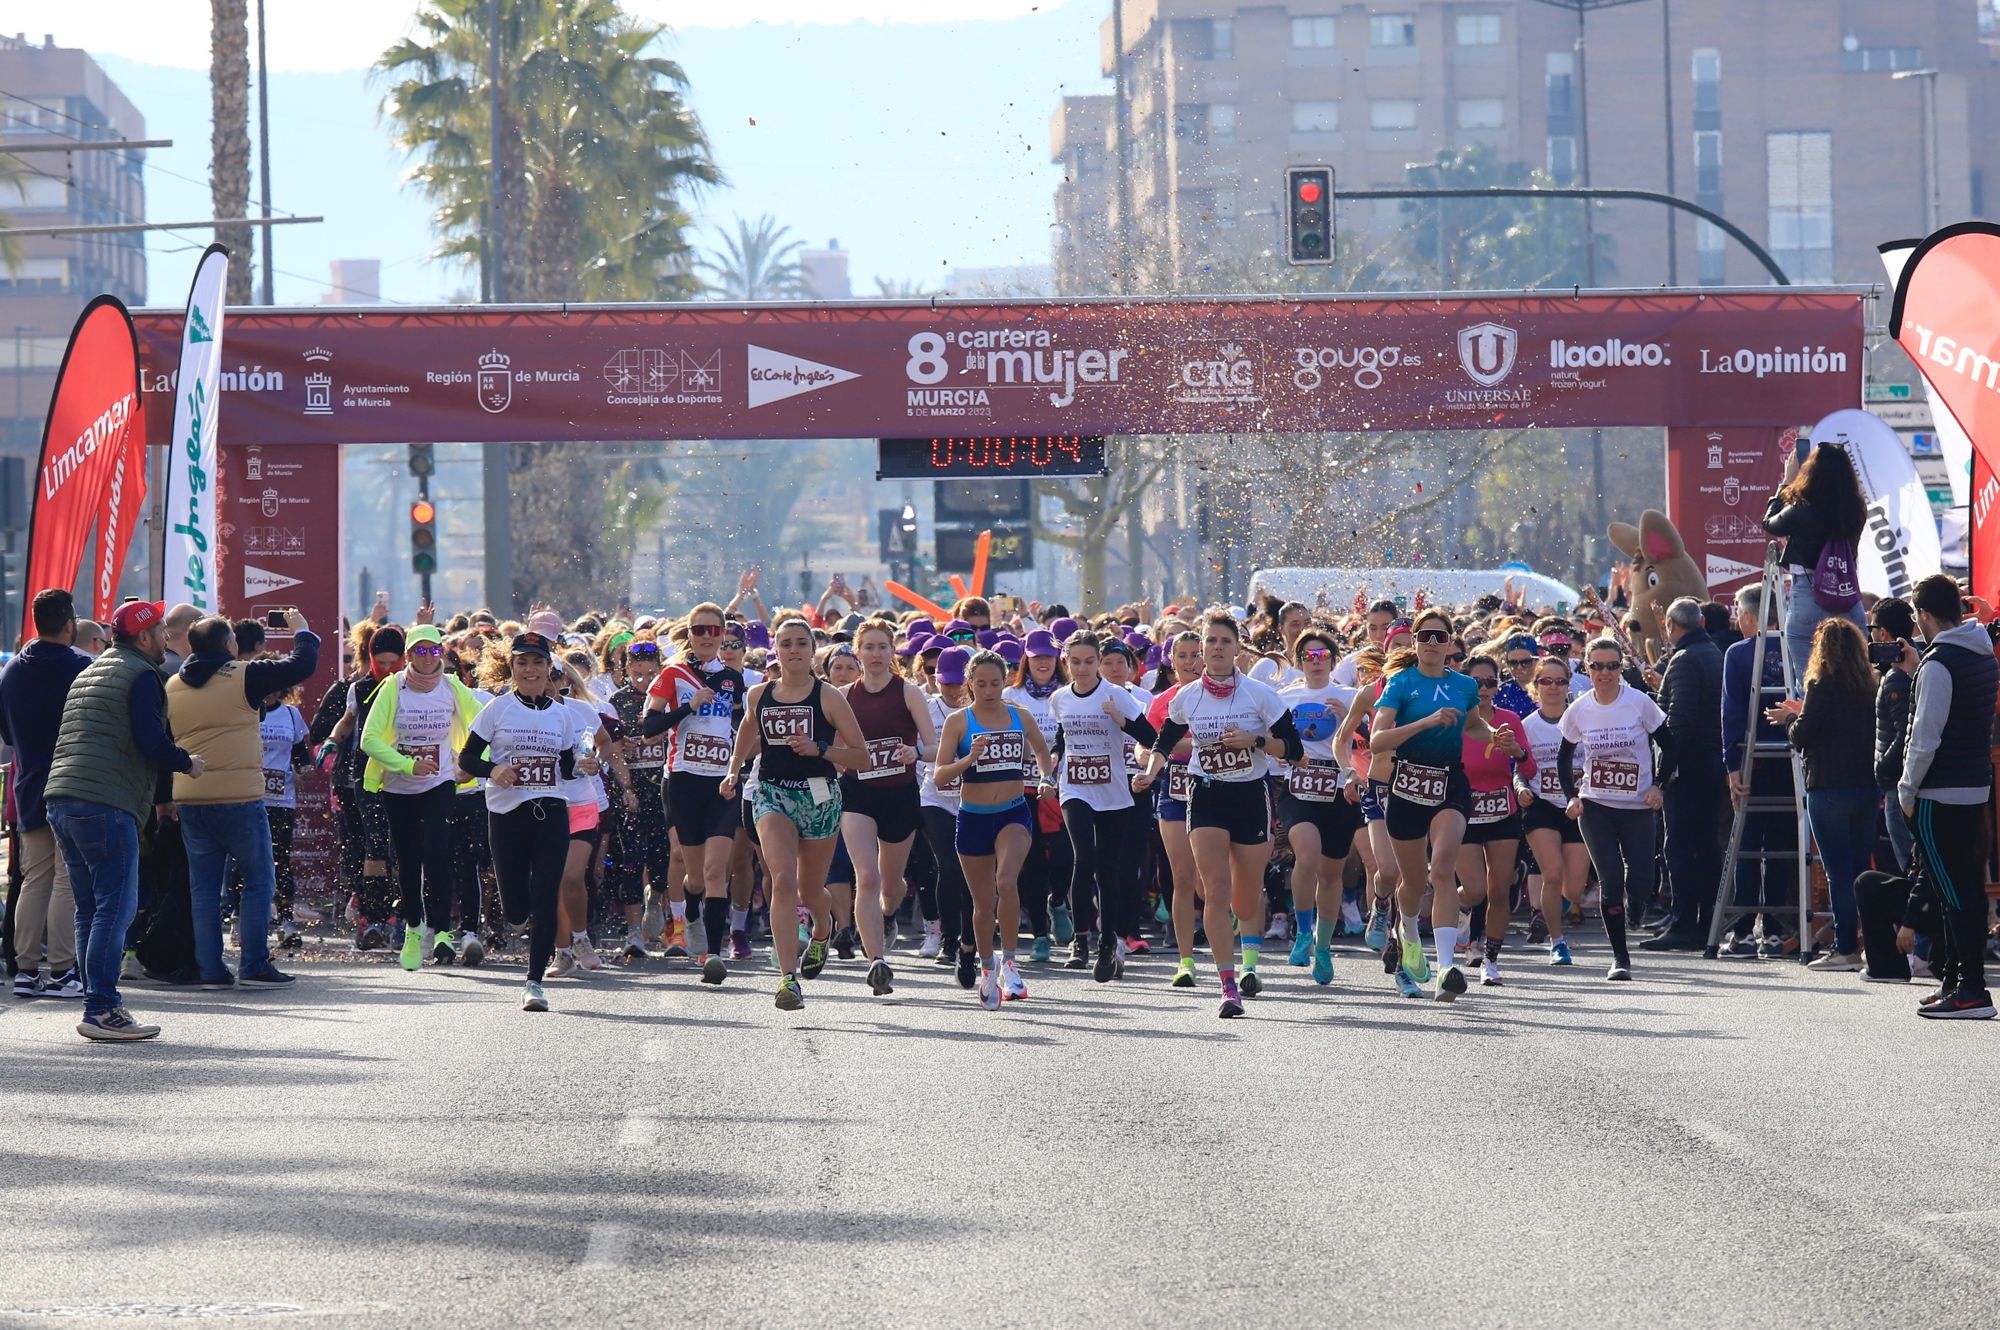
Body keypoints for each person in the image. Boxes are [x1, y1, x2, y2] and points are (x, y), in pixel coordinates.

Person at [44, 600, 202, 1040]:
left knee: (90, 909)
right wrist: (187, 763)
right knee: (116, 907)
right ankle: (103, 1009)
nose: (167, 638)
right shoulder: (143, 675)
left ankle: (95, 1003)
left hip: (61, 798)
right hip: (104, 802)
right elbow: (152, 742)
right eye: (161, 632)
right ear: (145, 636)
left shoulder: (91, 670)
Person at [1142, 610, 1303, 1018]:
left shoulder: (1259, 694)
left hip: (1250, 795)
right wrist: (1149, 772)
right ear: (1201, 649)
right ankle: (1228, 984)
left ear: (1237, 649)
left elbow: (1294, 749)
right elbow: (1165, 739)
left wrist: (1256, 740)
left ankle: (1249, 954)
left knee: (1244, 899)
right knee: (1213, 888)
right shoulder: (1188, 695)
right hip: (1206, 793)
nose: (1215, 648)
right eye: (1209, 641)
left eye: (1224, 642)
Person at [720, 617, 871, 1012]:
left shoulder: (829, 697)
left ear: (812, 648)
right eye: (785, 643)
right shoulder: (758, 694)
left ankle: (823, 928)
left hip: (819, 798)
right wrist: (735, 768)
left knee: (810, 890)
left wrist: (821, 749)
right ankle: (788, 979)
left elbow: (862, 757)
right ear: (776, 649)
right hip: (771, 795)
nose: (794, 650)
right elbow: (748, 731)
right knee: (783, 880)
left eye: (801, 643)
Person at [165, 610, 321, 990]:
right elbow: (302, 664)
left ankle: (211, 970)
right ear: (228, 645)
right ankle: (253, 965)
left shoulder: (171, 685)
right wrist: (301, 628)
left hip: (190, 796)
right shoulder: (244, 676)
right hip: (239, 798)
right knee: (258, 881)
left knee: (203, 889)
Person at [1369, 608, 1504, 1001]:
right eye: (1425, 636)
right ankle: (1407, 931)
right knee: (1412, 882)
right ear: (1414, 642)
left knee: (1443, 867)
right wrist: (1426, 722)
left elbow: (1473, 724)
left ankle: (1447, 968)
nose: (1431, 643)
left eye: (1439, 637)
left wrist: (1496, 735)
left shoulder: (1464, 685)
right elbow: (1378, 740)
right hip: (1407, 783)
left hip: (1450, 782)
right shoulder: (1400, 682)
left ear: (1449, 644)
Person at [456, 631, 584, 1012]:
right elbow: (467, 761)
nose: (530, 669)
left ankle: (534, 982)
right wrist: (495, 770)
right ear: (512, 668)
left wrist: (583, 765)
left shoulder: (563, 714)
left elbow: (567, 768)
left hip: (551, 810)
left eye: (538, 662)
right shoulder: (497, 709)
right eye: (522, 662)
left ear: (549, 669)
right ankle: (517, 917)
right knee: (515, 906)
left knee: (546, 893)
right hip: (506, 814)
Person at [932, 649, 1058, 1008]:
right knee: (983, 905)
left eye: (996, 682)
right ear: (969, 684)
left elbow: (1041, 750)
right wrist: (969, 759)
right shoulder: (959, 721)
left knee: (1006, 882)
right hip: (973, 817)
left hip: (1013, 813)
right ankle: (988, 969)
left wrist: (1046, 777)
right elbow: (940, 775)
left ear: (1006, 682)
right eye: (981, 683)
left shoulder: (1019, 715)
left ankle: (1012, 965)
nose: (989, 690)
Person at [357, 623, 485, 970]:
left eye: (434, 651)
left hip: (441, 782)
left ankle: (442, 933)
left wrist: (475, 764)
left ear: (441, 653)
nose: (428, 658)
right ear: (409, 655)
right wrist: (407, 765)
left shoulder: (452, 687)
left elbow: (484, 724)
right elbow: (368, 739)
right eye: (420, 651)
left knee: (436, 849)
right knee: (409, 860)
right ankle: (415, 928)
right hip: (399, 786)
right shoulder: (392, 688)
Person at [1897, 574, 1996, 1019]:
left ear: (1923, 615)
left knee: (1953, 893)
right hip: (1973, 785)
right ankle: (1957, 980)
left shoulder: (1939, 663)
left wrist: (1906, 788)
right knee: (1962, 888)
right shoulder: (1981, 653)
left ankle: (1970, 988)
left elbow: (1924, 737)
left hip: (1939, 791)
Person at [642, 601, 749, 982]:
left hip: (722, 781)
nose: (707, 637)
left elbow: (740, 724)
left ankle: (713, 954)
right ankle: (690, 910)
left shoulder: (733, 679)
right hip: (683, 780)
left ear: (723, 635)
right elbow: (648, 727)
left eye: (714, 631)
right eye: (699, 630)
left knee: (717, 869)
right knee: (696, 875)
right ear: (688, 634)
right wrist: (687, 707)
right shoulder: (673, 675)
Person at [1558, 638, 1675, 982]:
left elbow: (1671, 746)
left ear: (1620, 668)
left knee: (1641, 880)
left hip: (1638, 805)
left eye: (1612, 666)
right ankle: (1620, 958)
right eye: (1597, 666)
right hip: (1596, 805)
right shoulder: (1579, 708)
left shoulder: (1639, 703)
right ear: (1588, 669)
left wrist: (1659, 786)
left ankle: (1637, 900)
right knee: (1610, 879)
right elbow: (1564, 756)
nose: (1605, 673)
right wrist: (1571, 796)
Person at [1771, 617, 1879, 972]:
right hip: (1866, 786)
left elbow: (1803, 735)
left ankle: (1845, 948)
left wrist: (1789, 718)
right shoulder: (1869, 684)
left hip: (1829, 787)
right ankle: (1872, 946)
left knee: (1838, 872)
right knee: (1862, 870)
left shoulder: (1822, 684)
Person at [1048, 631, 1156, 982]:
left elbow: (1151, 738)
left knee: (1107, 868)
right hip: (1075, 787)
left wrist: (1120, 721)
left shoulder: (1116, 696)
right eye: (1075, 662)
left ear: (1098, 662)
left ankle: (1108, 942)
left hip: (1113, 792)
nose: (1082, 668)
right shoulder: (1060, 697)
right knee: (1085, 858)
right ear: (1066, 661)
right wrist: (1052, 760)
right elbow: (1063, 736)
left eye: (1089, 661)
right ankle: (1080, 941)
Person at [1, 589, 92, 998]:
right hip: (71, 781)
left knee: (33, 878)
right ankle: (60, 970)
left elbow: (5, 732)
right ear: (70, 622)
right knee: (65, 880)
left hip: (27, 783)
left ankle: (24, 969)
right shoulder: (82, 667)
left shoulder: (13, 671)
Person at [838, 619, 937, 997]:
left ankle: (889, 917)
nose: (876, 654)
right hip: (858, 795)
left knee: (891, 885)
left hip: (899, 795)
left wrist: (915, 752)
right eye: (869, 647)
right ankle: (877, 961)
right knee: (867, 876)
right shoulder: (844, 694)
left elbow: (933, 747)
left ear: (892, 652)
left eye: (883, 647)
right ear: (858, 652)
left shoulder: (908, 693)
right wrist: (840, 759)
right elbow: (833, 747)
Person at [1274, 628, 1359, 987]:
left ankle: (1323, 947)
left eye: (1322, 655)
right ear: (1299, 660)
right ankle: (1303, 931)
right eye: (1309, 656)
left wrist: (1351, 718)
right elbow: (1273, 739)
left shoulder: (1350, 695)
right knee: (1306, 857)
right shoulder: (1284, 697)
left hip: (1339, 791)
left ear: (1333, 659)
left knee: (1330, 874)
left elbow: (1370, 742)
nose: (1316, 662)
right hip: (1298, 787)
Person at [1721, 584, 1799, 957]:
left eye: (1737, 611)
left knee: (1749, 845)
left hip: (1753, 759)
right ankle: (1772, 929)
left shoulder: (1738, 653)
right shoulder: (1794, 649)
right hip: (1792, 758)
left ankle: (1743, 931)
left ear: (1750, 615)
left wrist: (1732, 765)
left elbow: (1731, 713)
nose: (1735, 618)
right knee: (1782, 845)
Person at [1644, 596, 1725, 952]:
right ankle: (1705, 923)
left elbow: (1678, 722)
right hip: (1711, 765)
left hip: (1689, 769)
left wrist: (1662, 773)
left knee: (1679, 847)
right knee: (1705, 846)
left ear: (1671, 627)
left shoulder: (1685, 660)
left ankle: (1684, 924)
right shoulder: (1713, 654)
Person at [1456, 650, 1533, 986]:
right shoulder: (1454, 718)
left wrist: (1516, 752)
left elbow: (1529, 768)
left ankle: (1490, 958)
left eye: (1490, 682)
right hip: (1462, 809)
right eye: (1477, 682)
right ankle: (1455, 906)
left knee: (1499, 889)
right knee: (1473, 889)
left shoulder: (1510, 719)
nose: (1484, 688)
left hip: (1502, 811)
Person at [1763, 442, 1868, 686]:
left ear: (1811, 471)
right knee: (1856, 682)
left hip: (1808, 596)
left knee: (1809, 685)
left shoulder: (1801, 510)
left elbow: (1769, 523)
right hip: (1847, 597)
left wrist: (1786, 483)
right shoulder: (1856, 509)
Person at [1517, 656, 1588, 965]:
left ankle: (1551, 910)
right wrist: (1521, 788)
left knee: (1573, 889)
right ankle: (1558, 943)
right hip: (1541, 805)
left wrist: (1586, 780)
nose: (1554, 687)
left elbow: (1594, 759)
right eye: (1546, 681)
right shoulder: (1528, 726)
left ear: (1568, 686)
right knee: (1552, 873)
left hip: (1576, 805)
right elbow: (1519, 767)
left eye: (1560, 682)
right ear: (1537, 686)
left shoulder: (1581, 721)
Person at [1868, 597, 1919, 874]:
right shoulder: (1907, 668)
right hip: (1903, 785)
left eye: (1873, 628)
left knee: (1910, 869)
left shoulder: (1897, 677)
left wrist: (1882, 768)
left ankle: (1921, 918)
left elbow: (1904, 733)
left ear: (1884, 633)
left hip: (1899, 787)